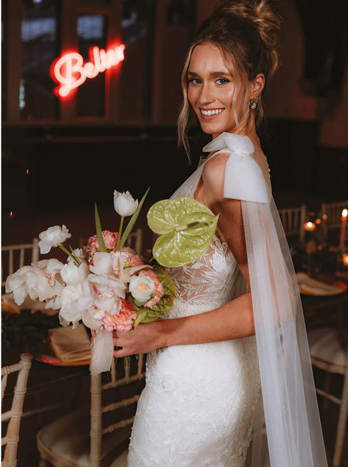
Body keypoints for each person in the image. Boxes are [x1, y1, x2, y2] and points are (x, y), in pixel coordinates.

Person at [111, 1, 328, 466]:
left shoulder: (231, 169)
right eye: (195, 79)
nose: (203, 94)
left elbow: (278, 301)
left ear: (255, 86)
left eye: (221, 79)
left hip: (196, 381)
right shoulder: (241, 155)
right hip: (211, 367)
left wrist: (161, 332)